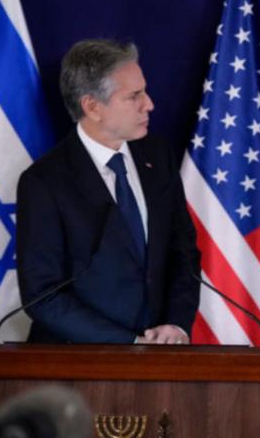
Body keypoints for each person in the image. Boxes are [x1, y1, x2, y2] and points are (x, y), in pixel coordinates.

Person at [16, 39, 200, 344]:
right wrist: (129, 343)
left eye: (144, 91)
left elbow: (183, 252)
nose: (149, 104)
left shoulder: (158, 156)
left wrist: (176, 324)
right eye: (134, 96)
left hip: (160, 355)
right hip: (78, 360)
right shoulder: (44, 182)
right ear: (92, 107)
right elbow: (42, 295)